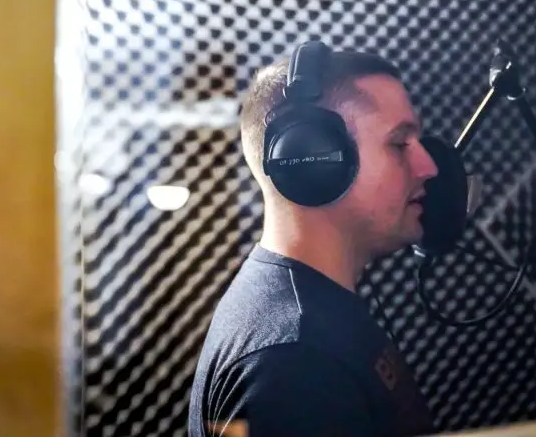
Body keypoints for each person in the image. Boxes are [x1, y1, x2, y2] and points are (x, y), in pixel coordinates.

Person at [188, 41, 439, 437]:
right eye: (399, 143)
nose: (428, 166)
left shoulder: (305, 322)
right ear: (316, 159)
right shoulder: (294, 362)